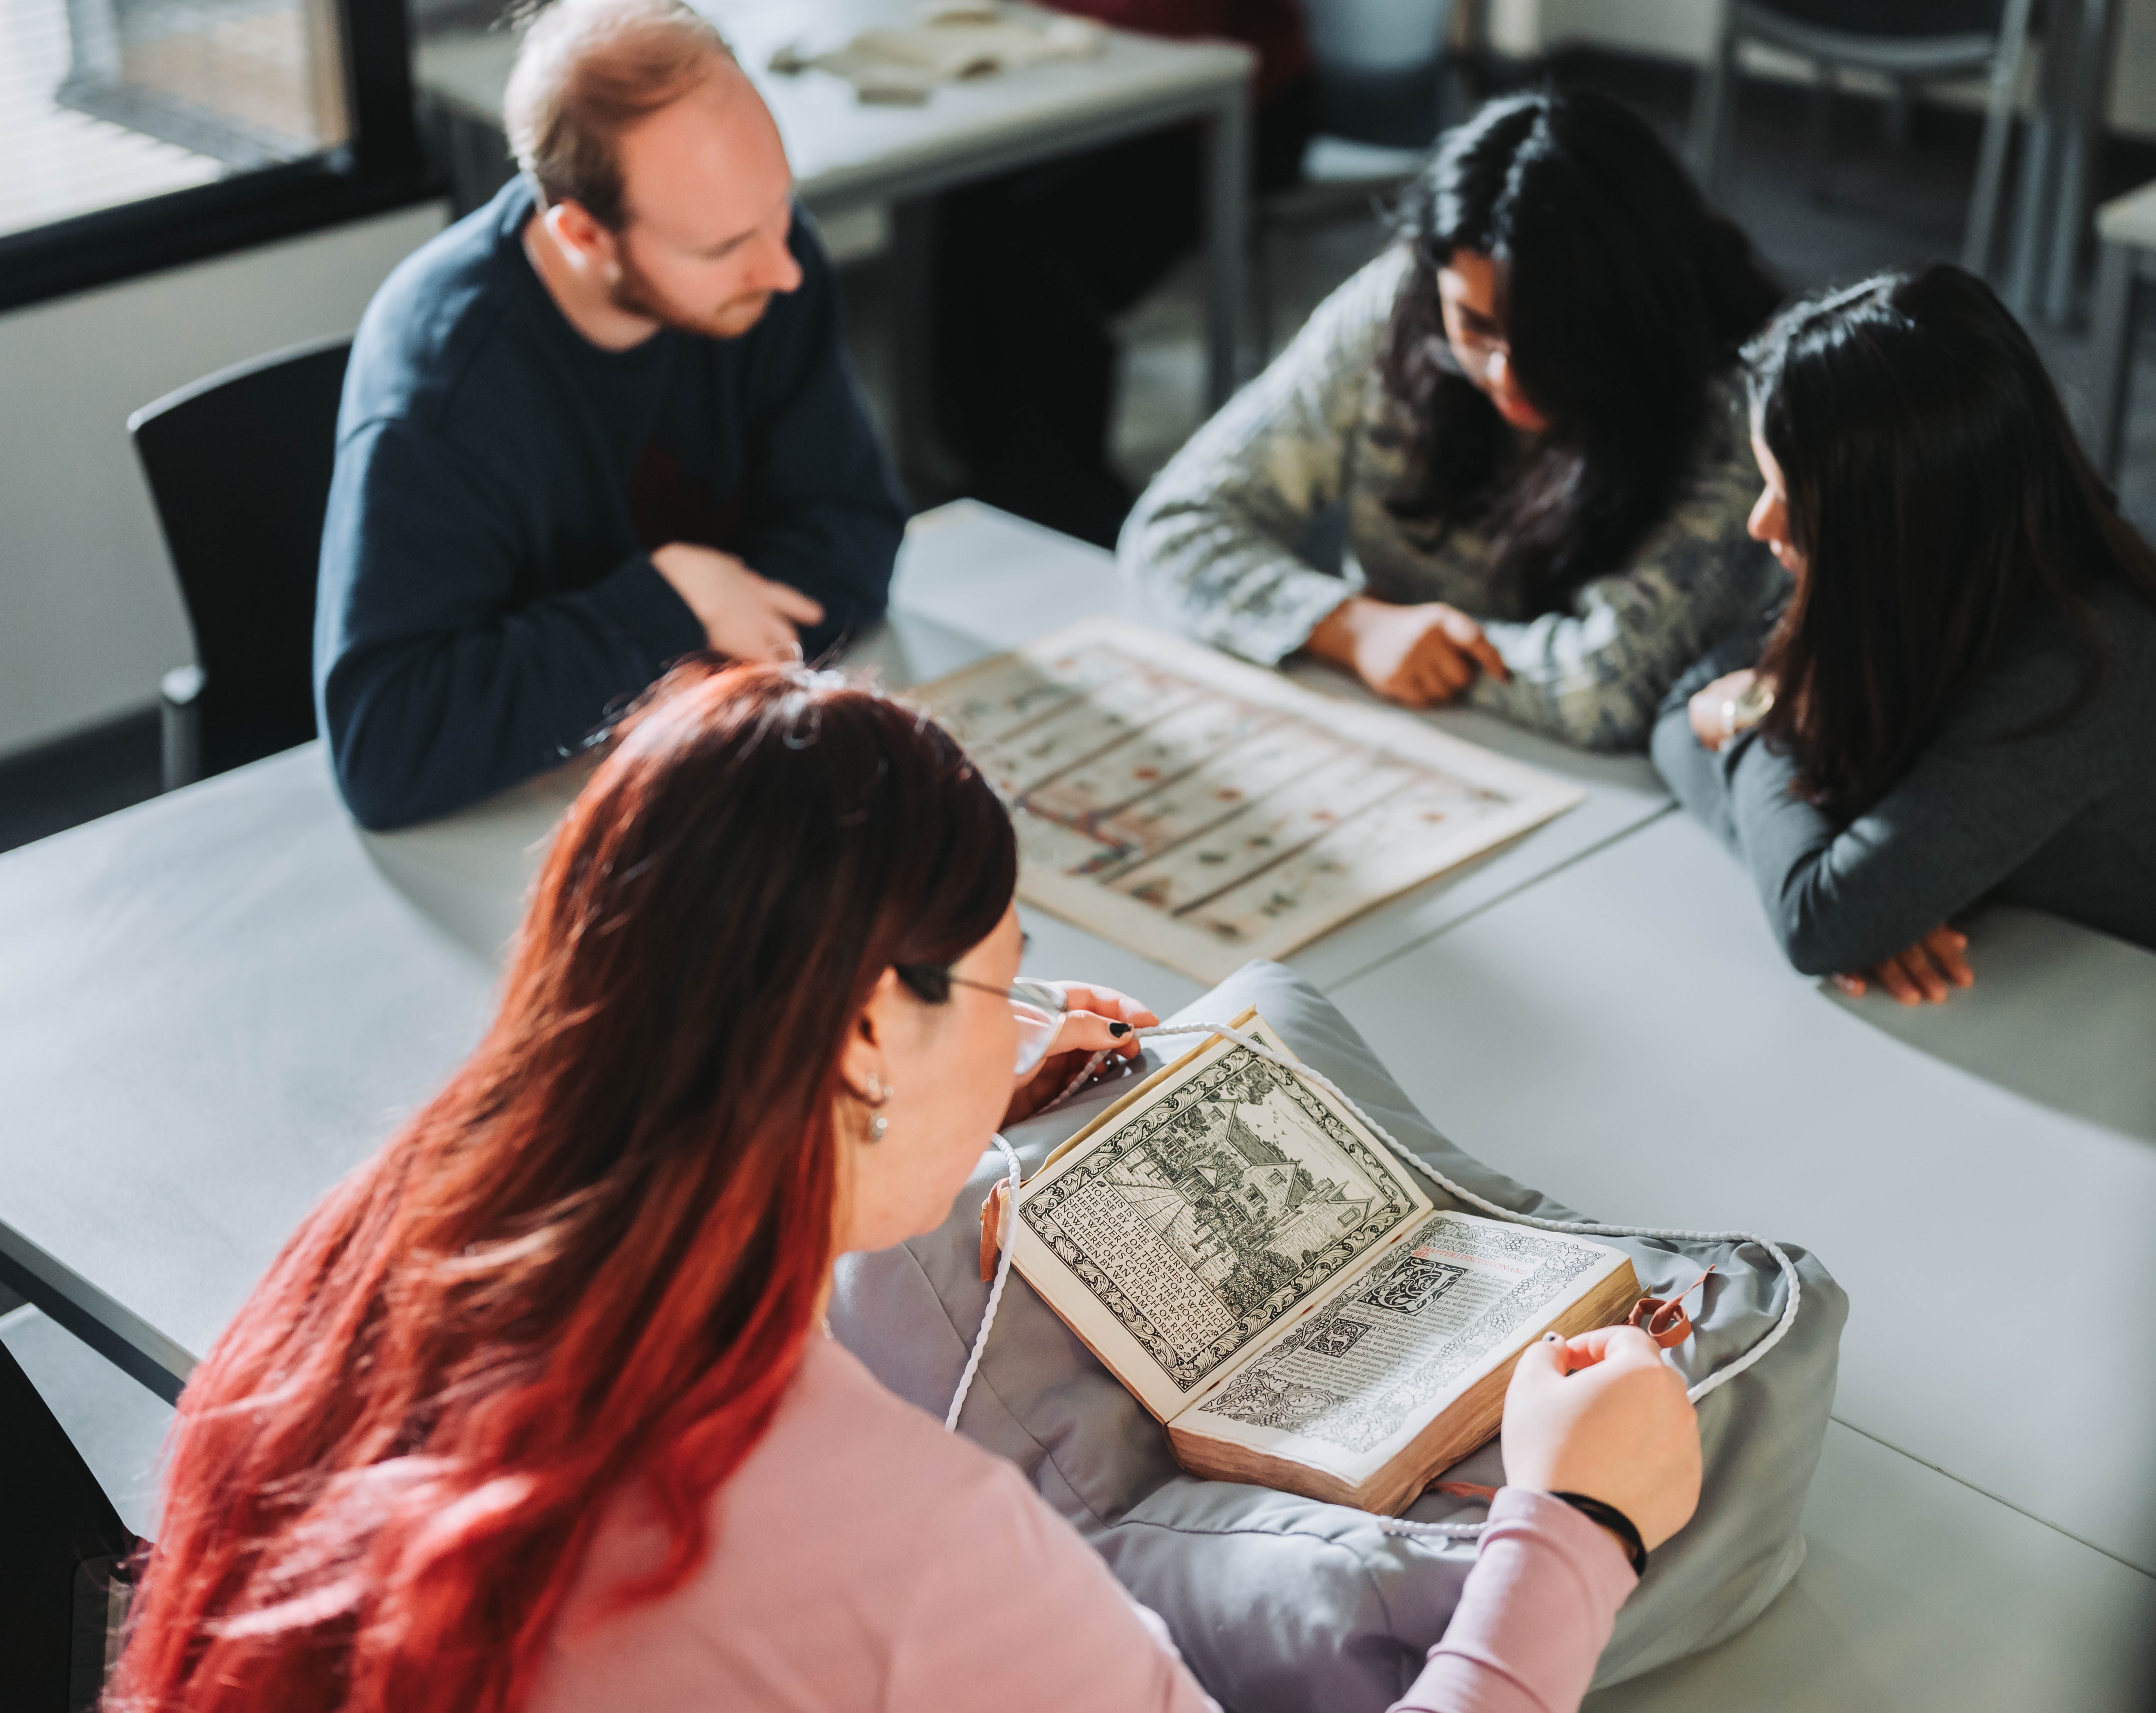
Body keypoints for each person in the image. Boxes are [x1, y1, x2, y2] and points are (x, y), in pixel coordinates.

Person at [111, 662, 1702, 1713]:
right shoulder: (927, 1554)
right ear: (864, 1031)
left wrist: (918, 1113)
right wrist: (1573, 1523)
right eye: (1005, 986)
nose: (1035, 1020)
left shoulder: (371, 1255)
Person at [314, 0, 906, 832]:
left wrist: (685, 668)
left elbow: (855, 534)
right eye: (720, 247)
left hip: (710, 783)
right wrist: (679, 601)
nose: (783, 269)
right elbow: (390, 747)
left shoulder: (765, 257)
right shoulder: (447, 388)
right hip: (531, 834)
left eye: (779, 206)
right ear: (584, 236)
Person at [1120, 89, 1787, 750]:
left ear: (1632, 309)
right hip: (1401, 731)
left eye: (1549, 340)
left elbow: (1608, 686)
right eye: (1473, 327)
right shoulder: (1398, 303)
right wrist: (1349, 627)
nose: (1503, 375)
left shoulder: (1737, 403)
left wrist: (1412, 647)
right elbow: (1174, 524)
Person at [1652, 266, 2156, 1002]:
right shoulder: (1902, 588)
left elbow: (1819, 922)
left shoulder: (2082, 665)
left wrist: (1750, 728)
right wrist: (1821, 867)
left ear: (1891, 522)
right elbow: (1673, 718)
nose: (1760, 524)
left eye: (1789, 497)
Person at [927, 0, 1318, 548]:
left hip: (1231, 117)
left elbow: (1164, 20)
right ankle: (982, 464)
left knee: (1041, 242)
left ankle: (1066, 495)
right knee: (965, 200)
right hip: (1089, 100)